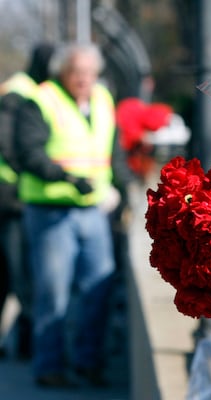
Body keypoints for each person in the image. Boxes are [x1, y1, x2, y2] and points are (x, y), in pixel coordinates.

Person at [15, 42, 134, 388]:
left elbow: (113, 152)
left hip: (93, 210)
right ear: (63, 72)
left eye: (89, 73)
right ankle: (49, 367)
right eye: (76, 73)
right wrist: (67, 178)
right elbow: (29, 152)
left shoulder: (102, 99)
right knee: (53, 293)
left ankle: (88, 362)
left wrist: (125, 191)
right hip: (51, 212)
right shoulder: (40, 100)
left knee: (100, 286)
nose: (83, 80)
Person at [0, 42, 55, 360]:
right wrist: (30, 170)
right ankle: (26, 344)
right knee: (21, 274)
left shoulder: (21, 89)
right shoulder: (20, 92)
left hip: (12, 195)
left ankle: (24, 342)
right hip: (12, 197)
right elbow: (9, 143)